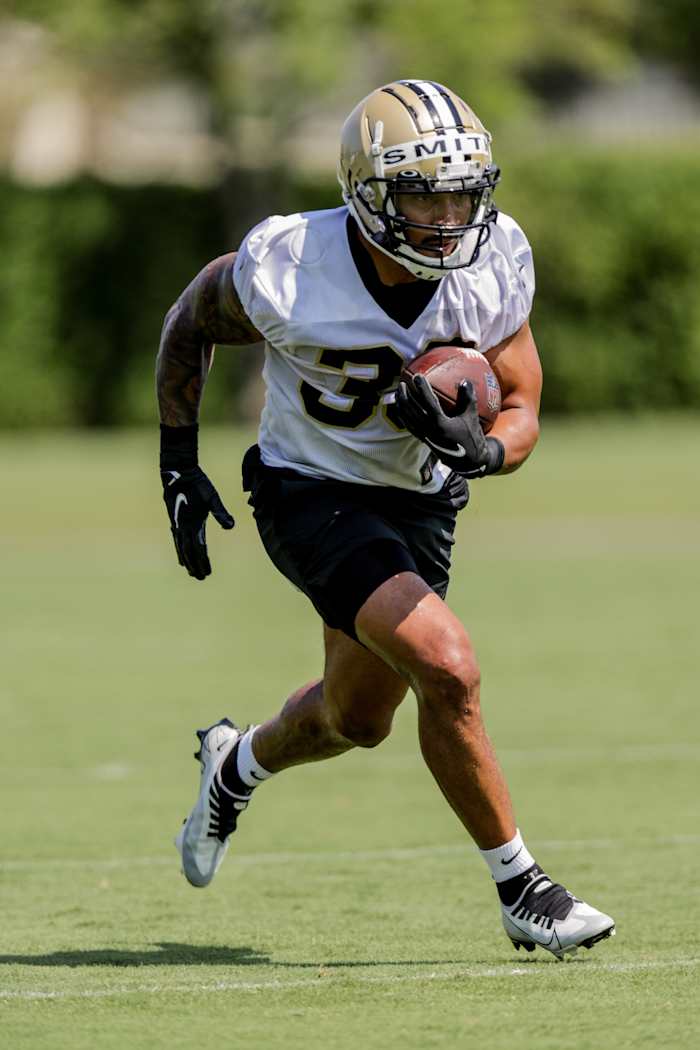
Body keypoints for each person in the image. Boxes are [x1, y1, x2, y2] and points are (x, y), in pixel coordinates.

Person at [157, 79, 615, 960]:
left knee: (357, 717)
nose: (447, 216)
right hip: (308, 489)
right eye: (422, 193)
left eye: (461, 193)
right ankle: (523, 888)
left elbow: (521, 407)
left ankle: (234, 765)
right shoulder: (289, 266)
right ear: (367, 194)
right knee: (449, 667)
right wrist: (177, 461)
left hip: (422, 498)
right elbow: (189, 321)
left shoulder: (494, 261)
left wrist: (481, 452)